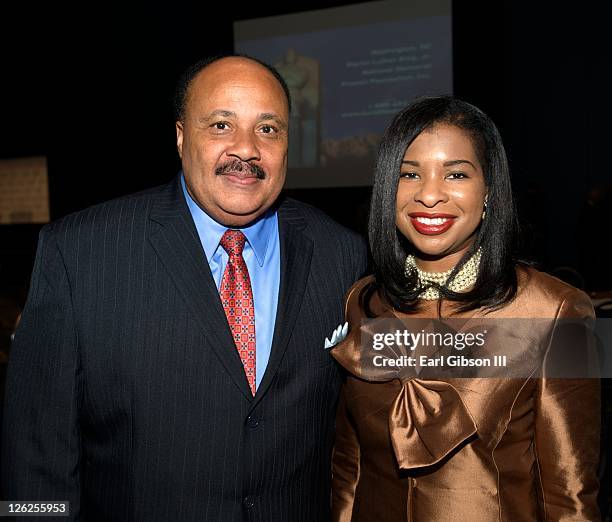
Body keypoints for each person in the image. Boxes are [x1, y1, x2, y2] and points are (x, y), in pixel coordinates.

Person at [1, 54, 368, 521]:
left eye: (268, 129)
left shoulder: (341, 255)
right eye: (220, 125)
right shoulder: (80, 253)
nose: (246, 150)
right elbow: (33, 457)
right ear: (179, 137)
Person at [329, 96, 600, 520]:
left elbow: (572, 495)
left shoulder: (561, 310)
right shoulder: (362, 301)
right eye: (409, 174)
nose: (430, 195)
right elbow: (349, 469)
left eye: (455, 174)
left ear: (489, 189)